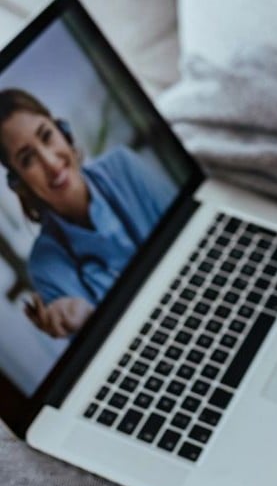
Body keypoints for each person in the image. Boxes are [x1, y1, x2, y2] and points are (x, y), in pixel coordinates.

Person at [0, 88, 177, 339]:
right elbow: (109, 350)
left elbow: (189, 232)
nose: (51, 163)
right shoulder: (45, 266)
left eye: (47, 136)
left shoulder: (123, 167)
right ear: (20, 183)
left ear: (63, 132)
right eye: (28, 159)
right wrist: (86, 318)